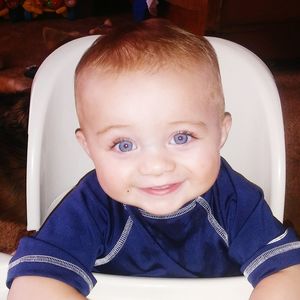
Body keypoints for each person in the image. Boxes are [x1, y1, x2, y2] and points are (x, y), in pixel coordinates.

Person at [6, 18, 300, 300]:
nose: (157, 166)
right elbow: (32, 284)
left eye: (181, 137)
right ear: (88, 148)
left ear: (221, 133)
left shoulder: (234, 200)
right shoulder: (91, 205)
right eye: (124, 144)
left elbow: (290, 272)